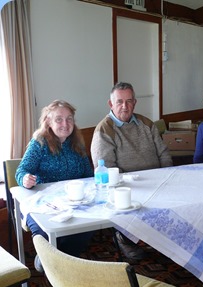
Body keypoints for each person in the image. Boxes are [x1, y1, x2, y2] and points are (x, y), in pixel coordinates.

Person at [91, 81, 173, 260]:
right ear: (110, 104)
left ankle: (174, 242)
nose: (125, 106)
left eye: (129, 101)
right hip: (127, 187)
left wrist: (167, 177)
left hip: (156, 181)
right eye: (119, 101)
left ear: (135, 102)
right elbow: (107, 169)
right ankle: (124, 237)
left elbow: (164, 153)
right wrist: (134, 183)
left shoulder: (146, 124)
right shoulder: (104, 130)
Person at [15, 100, 94, 272]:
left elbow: (89, 176)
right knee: (45, 232)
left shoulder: (77, 143)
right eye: (59, 119)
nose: (65, 124)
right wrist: (25, 178)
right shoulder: (39, 143)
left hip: (74, 203)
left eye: (69, 119)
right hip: (43, 202)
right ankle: (53, 260)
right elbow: (21, 170)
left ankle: (53, 260)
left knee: (87, 228)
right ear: (49, 122)